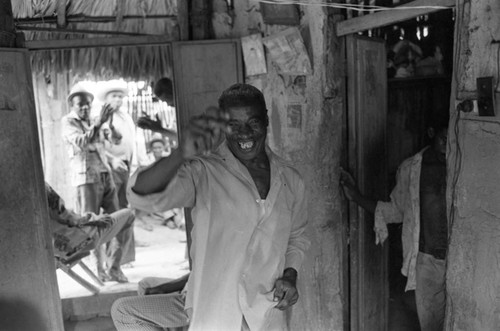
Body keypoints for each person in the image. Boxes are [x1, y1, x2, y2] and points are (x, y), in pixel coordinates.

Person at [124, 83, 310, 330]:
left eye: (253, 123)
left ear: (266, 120)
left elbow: (297, 236)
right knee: (125, 311)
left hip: (264, 312)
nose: (245, 134)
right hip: (215, 312)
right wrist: (181, 153)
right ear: (223, 126)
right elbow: (141, 194)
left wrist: (290, 275)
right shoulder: (204, 172)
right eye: (233, 125)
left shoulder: (290, 179)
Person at [340, 120, 448, 331]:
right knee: (432, 326)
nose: (449, 145)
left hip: (460, 260)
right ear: (431, 132)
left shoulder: (461, 165)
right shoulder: (411, 169)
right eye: (444, 139)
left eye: (452, 139)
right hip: (427, 263)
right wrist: (356, 197)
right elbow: (396, 211)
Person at [62, 83, 127, 282]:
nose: (85, 108)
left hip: (105, 175)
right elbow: (82, 142)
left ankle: (114, 267)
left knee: (116, 221)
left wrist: (111, 124)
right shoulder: (68, 122)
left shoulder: (95, 119)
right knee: (91, 225)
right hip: (85, 179)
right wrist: (99, 123)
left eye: (88, 104)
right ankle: (97, 271)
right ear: (72, 105)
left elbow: (115, 140)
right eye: (80, 104)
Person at [97, 80, 137, 275]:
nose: (118, 99)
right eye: (114, 96)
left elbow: (132, 143)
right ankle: (108, 266)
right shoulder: (101, 119)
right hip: (109, 170)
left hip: (127, 168)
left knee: (126, 214)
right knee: (113, 217)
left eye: (120, 96)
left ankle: (117, 264)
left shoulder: (126, 117)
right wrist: (112, 160)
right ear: (106, 99)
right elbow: (98, 147)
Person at [46, 183, 134, 269]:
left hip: (50, 247)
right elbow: (66, 217)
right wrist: (94, 219)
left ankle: (71, 256)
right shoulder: (42, 186)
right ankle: (113, 267)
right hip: (78, 240)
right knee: (129, 214)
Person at [111, 274, 190, 330]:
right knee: (145, 284)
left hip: (196, 298)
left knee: (121, 310)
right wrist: (166, 287)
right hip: (191, 283)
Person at [137, 77, 178, 147]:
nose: (168, 104)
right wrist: (159, 129)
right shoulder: (177, 113)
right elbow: (180, 137)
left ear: (174, 93)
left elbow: (182, 138)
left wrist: (160, 130)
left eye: (167, 99)